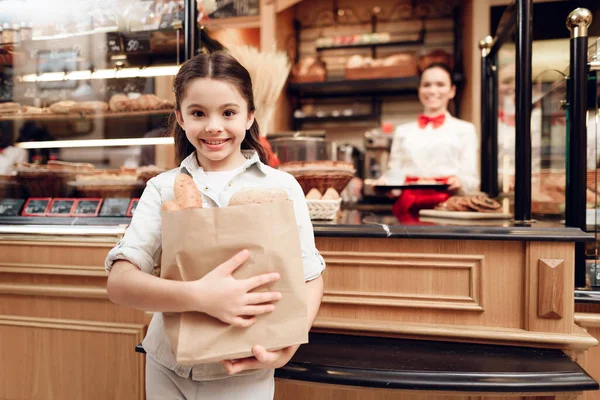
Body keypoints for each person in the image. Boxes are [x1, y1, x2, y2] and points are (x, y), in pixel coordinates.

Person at [104, 51, 325, 400]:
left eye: (228, 112)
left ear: (250, 115)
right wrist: (199, 296)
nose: (213, 126)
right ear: (179, 117)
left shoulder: (281, 188)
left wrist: (290, 344)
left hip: (245, 366)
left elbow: (310, 275)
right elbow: (119, 283)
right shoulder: (163, 188)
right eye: (197, 113)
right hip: (168, 364)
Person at [378, 62, 479, 222]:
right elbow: (395, 174)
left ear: (452, 91)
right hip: (407, 208)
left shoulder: (465, 130)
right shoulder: (403, 131)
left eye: (440, 85)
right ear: (419, 90)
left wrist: (460, 182)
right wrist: (387, 184)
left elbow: (472, 180)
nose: (433, 91)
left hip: (448, 209)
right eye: (426, 85)